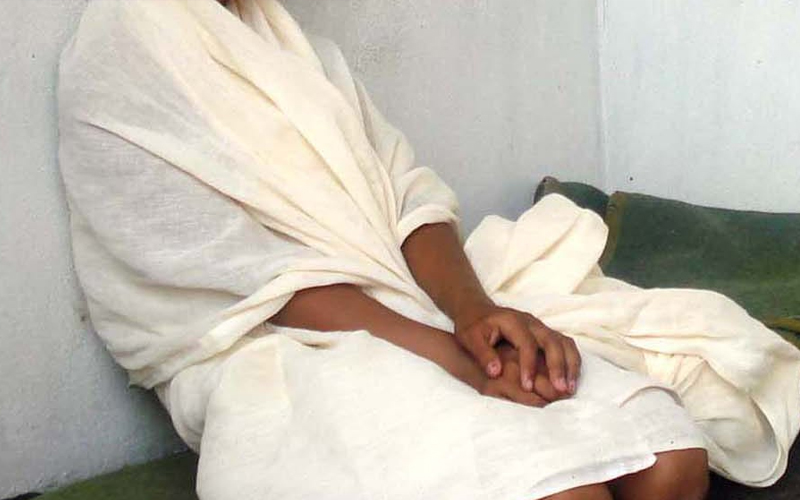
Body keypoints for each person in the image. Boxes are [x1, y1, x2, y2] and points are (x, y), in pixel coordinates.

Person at [57, 1, 799, 499]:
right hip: (275, 350)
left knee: (673, 466)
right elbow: (244, 278)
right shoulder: (124, 46)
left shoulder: (291, 46)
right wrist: (455, 360)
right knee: (563, 494)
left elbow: (407, 194)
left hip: (407, 307)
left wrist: (476, 316)